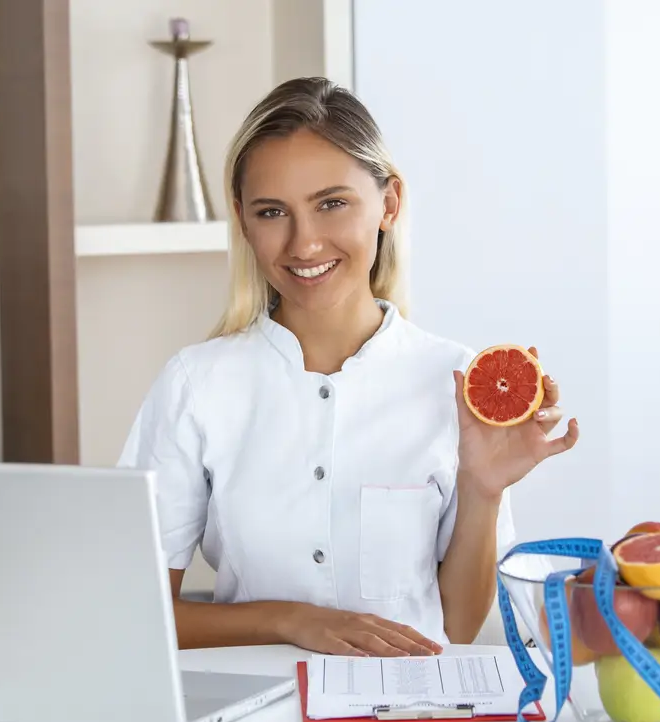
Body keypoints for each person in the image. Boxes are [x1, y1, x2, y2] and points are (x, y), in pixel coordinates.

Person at [118, 77, 579, 658]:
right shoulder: (197, 385)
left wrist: (482, 490)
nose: (304, 243)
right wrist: (290, 620)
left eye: (331, 204)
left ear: (388, 204)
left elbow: (459, 627)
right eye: (271, 212)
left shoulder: (454, 380)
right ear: (242, 220)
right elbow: (136, 611)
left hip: (415, 718)